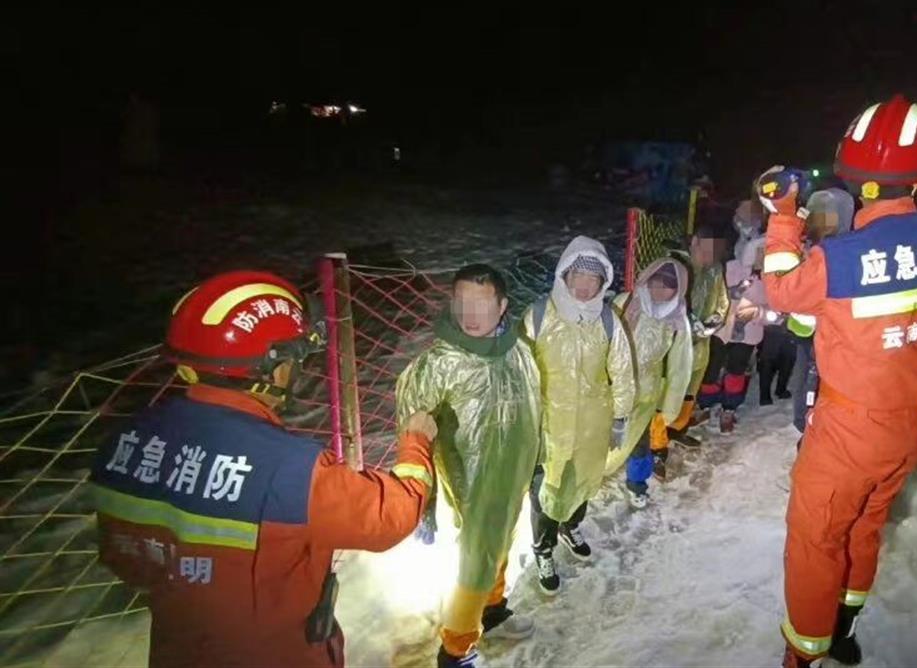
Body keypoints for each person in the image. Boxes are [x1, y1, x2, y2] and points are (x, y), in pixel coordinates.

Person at [91, 271, 437, 668]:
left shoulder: (126, 444)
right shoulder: (290, 468)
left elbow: (122, 559)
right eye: (294, 359)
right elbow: (389, 518)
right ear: (270, 368)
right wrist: (416, 443)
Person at [758, 95, 917, 666]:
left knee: (817, 540)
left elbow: (781, 292)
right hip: (910, 427)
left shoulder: (842, 259)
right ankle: (844, 629)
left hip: (847, 430)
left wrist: (783, 215)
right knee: (866, 526)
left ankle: (804, 654)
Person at [393, 264, 542, 668]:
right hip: (468, 487)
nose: (470, 314)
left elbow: (534, 409)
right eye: (462, 302)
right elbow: (412, 432)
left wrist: (538, 460)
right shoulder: (438, 364)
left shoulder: (520, 351)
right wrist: (422, 502)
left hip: (511, 477)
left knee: (502, 542)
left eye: (481, 303)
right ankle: (456, 650)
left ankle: (492, 611)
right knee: (473, 562)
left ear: (502, 306)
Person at [523, 237, 636, 595]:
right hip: (547, 426)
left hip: (591, 424)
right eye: (579, 276)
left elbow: (622, 371)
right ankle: (543, 548)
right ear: (564, 275)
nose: (585, 285)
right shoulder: (538, 315)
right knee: (545, 490)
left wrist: (620, 417)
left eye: (594, 278)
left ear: (603, 282)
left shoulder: (608, 320)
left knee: (583, 481)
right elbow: (521, 371)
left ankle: (570, 526)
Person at [604, 258, 693, 508]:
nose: (660, 290)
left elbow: (680, 366)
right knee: (602, 433)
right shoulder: (626, 303)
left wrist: (670, 406)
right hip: (612, 385)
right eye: (656, 283)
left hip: (646, 392)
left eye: (668, 286)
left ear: (678, 290)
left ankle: (637, 484)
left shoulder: (677, 318)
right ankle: (592, 475)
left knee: (640, 442)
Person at [651, 226, 729, 474]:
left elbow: (722, 301)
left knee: (689, 392)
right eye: (705, 250)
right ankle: (657, 447)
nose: (708, 257)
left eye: (714, 252)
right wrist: (688, 323)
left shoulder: (715, 269)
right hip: (675, 344)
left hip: (701, 344)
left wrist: (716, 320)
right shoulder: (676, 265)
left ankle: (677, 429)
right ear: (695, 242)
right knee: (667, 395)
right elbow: (663, 302)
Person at [785, 187, 857, 433]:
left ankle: (814, 423)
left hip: (829, 330)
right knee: (806, 378)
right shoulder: (807, 247)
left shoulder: (841, 249)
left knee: (819, 378)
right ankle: (805, 423)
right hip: (808, 330)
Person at [698, 235, 770, 433]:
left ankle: (729, 408)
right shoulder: (731, 268)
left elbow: (778, 313)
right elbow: (712, 292)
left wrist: (757, 312)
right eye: (760, 251)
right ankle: (705, 405)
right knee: (711, 369)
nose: (762, 256)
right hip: (721, 329)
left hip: (748, 334)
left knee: (736, 371)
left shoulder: (775, 278)